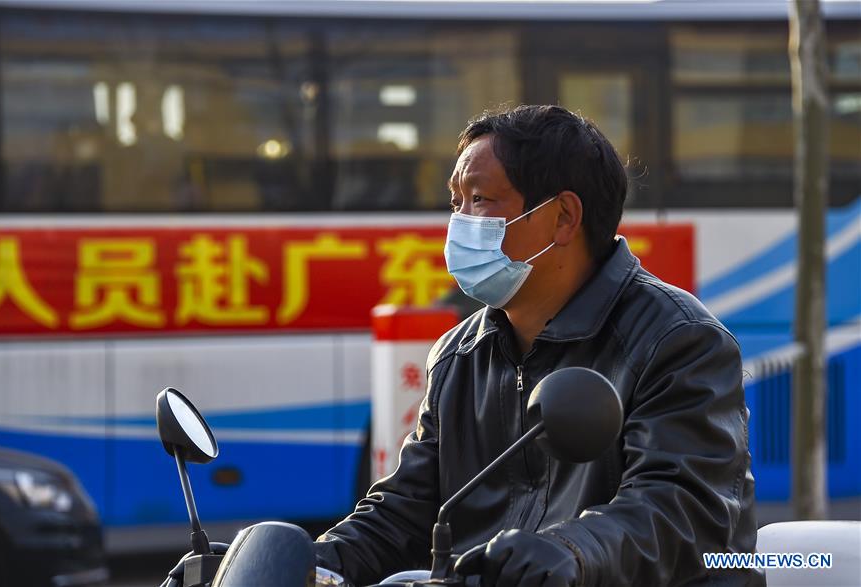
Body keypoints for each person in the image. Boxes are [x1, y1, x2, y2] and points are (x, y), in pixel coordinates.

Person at [313, 105, 764, 586]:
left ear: (563, 217)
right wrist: (312, 561)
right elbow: (404, 512)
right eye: (456, 202)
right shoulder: (459, 355)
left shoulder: (677, 340)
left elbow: (679, 510)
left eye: (481, 199)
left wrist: (571, 551)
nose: (460, 222)